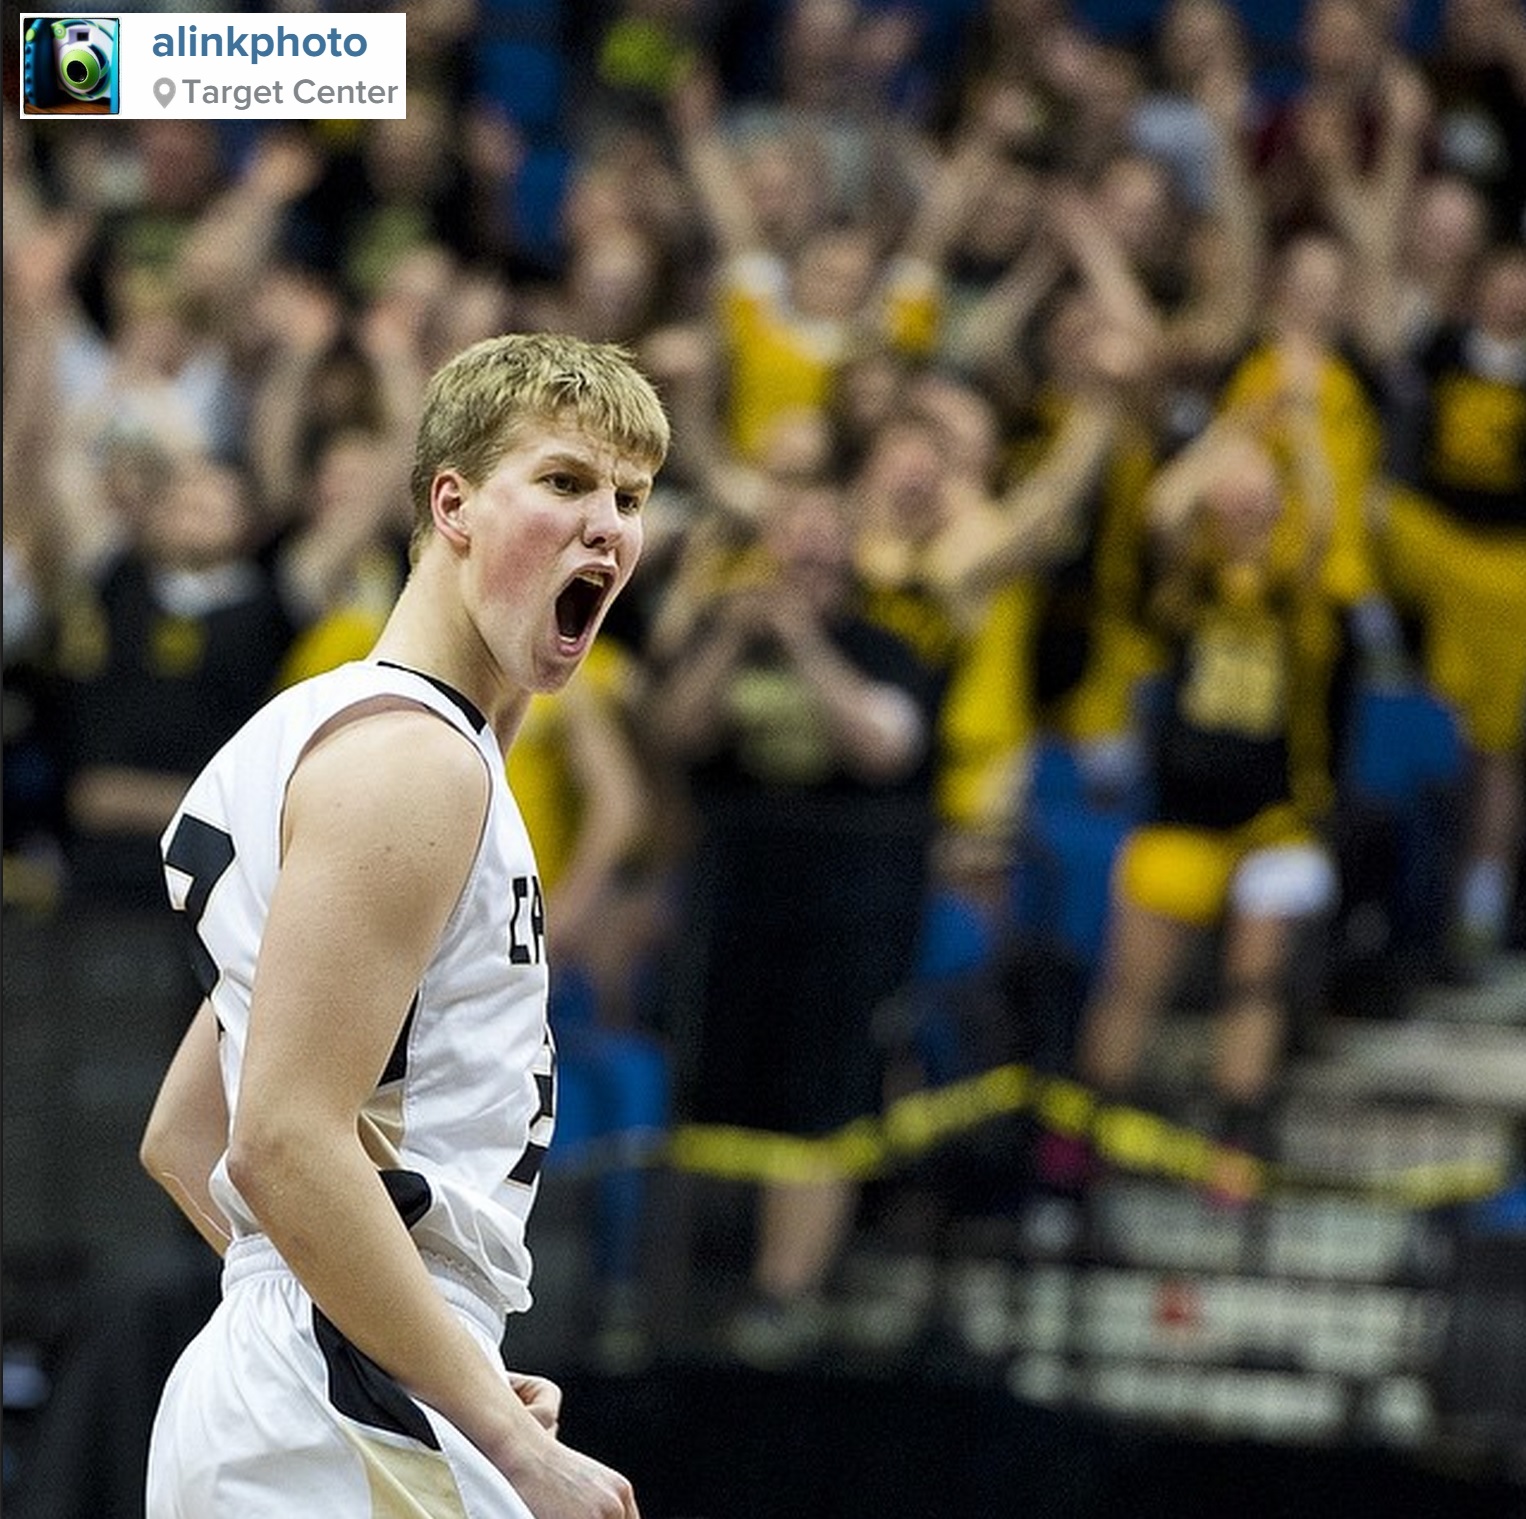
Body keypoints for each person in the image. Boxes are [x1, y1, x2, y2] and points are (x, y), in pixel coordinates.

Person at [138, 331, 669, 1518]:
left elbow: (187, 1134)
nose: (609, 526)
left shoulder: (354, 727)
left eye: (629, 498)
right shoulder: (412, 768)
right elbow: (275, 1141)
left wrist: (410, 1341)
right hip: (325, 1419)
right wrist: (506, 1439)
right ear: (454, 503)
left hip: (315, 1386)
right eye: (567, 481)